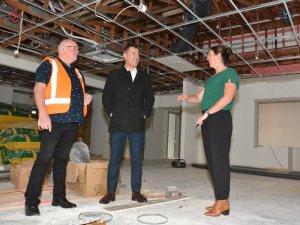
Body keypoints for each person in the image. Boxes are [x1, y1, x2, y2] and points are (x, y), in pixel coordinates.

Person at [24, 39, 93, 216]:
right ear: (62, 49)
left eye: (78, 49)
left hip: (71, 123)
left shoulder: (78, 73)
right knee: (44, 160)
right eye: (74, 48)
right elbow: (39, 89)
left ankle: (59, 197)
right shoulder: (50, 64)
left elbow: (73, 96)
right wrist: (42, 113)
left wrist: (85, 100)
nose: (77, 51)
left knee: (62, 160)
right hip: (53, 121)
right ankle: (31, 201)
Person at [178, 45, 239, 217]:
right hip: (208, 119)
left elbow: (227, 97)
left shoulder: (230, 74)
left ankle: (222, 201)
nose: (207, 58)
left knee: (220, 161)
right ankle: (222, 201)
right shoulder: (211, 79)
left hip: (219, 119)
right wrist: (187, 97)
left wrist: (207, 113)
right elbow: (199, 97)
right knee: (212, 162)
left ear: (219, 56)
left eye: (210, 54)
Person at [100, 42, 155, 204]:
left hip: (137, 125)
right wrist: (111, 113)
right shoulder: (114, 75)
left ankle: (136, 191)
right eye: (133, 53)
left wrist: (144, 114)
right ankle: (110, 192)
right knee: (115, 159)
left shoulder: (144, 77)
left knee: (137, 160)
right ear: (124, 56)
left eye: (138, 54)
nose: (136, 57)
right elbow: (106, 97)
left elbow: (150, 98)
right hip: (118, 124)